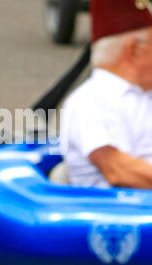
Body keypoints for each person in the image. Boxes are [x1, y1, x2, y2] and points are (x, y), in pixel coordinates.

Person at [60, 0, 152, 188]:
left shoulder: (144, 94)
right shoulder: (90, 101)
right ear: (133, 50)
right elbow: (119, 171)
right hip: (120, 211)